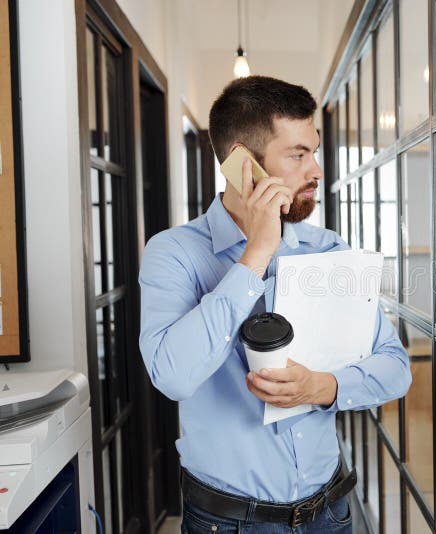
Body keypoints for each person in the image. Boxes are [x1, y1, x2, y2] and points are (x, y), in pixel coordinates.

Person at [138, 76, 411, 533]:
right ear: (243, 165)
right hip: (230, 524)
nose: (317, 170)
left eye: (314, 151)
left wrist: (322, 387)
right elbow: (172, 377)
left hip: (331, 512)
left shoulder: (329, 250)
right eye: (298, 154)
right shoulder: (173, 253)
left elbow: (396, 367)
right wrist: (256, 255)